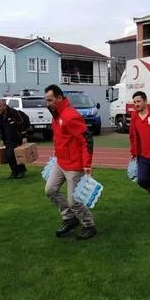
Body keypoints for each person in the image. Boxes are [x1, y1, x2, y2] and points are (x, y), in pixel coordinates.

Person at [43, 85, 96, 241]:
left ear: (59, 98)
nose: (47, 103)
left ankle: (89, 225)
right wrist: (56, 154)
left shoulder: (70, 115)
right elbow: (61, 138)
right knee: (50, 190)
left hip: (74, 165)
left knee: (74, 201)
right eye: (46, 100)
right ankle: (69, 218)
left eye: (50, 100)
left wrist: (86, 164)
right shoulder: (56, 114)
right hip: (60, 162)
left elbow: (86, 139)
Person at [0, 99, 30, 179]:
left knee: (13, 155)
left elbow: (21, 124)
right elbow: (1, 127)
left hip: (16, 137)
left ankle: (21, 171)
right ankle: (15, 171)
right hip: (7, 138)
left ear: (4, 106)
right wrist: (2, 139)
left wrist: (24, 137)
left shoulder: (13, 112)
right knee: (9, 156)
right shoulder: (0, 114)